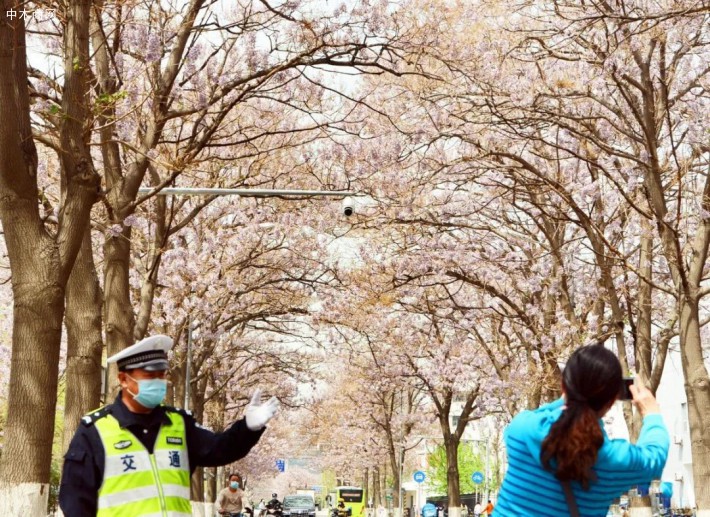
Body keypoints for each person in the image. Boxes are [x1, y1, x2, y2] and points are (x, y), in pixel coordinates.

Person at [59, 335, 280, 516]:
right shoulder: (95, 430)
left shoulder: (179, 424)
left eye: (161, 375)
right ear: (124, 379)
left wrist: (248, 428)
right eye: (149, 376)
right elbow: (75, 500)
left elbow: (220, 449)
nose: (158, 382)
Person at [493, 344, 669, 516]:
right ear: (610, 402)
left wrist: (570, 398)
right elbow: (655, 456)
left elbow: (542, 413)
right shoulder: (613, 460)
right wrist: (651, 411)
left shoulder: (520, 431)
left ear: (563, 386)